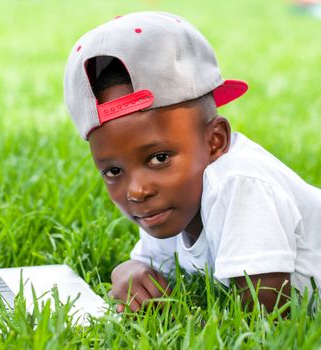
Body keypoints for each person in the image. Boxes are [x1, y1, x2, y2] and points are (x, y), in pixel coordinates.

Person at [63, 12, 321, 313]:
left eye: (159, 158)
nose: (137, 190)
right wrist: (128, 273)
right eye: (113, 171)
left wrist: (175, 320)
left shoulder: (240, 182)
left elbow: (267, 318)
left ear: (215, 141)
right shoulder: (165, 203)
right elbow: (150, 267)